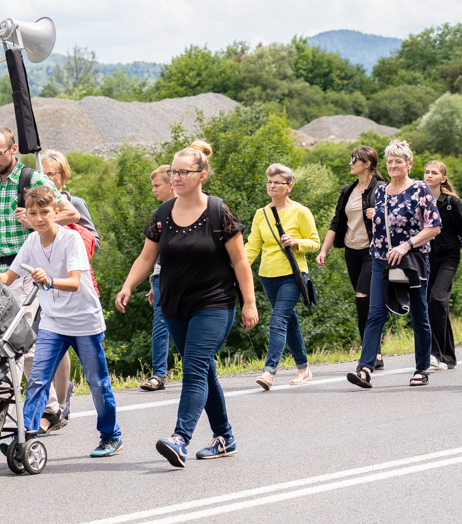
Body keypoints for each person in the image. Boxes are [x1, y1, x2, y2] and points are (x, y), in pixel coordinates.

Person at [115, 140, 258, 468]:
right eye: (173, 172)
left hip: (215, 304)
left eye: (183, 172)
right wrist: (128, 286)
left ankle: (180, 438)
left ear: (201, 175)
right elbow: (146, 256)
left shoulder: (218, 211)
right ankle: (225, 437)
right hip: (174, 306)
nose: (176, 177)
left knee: (193, 367)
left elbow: (240, 262)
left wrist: (249, 303)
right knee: (204, 369)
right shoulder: (162, 215)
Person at [0, 186, 121, 457]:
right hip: (53, 322)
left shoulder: (70, 240)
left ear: (56, 212)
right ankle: (25, 435)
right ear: (26, 217)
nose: (39, 218)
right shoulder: (30, 242)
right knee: (39, 379)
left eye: (44, 212)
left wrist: (49, 280)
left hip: (83, 320)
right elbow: (8, 277)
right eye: (33, 213)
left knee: (97, 381)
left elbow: (75, 283)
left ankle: (111, 436)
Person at [0, 126, 79, 434]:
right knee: (4, 342)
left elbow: (70, 214)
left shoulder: (32, 178)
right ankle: (41, 407)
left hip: (24, 272)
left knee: (15, 343)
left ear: (13, 149)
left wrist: (37, 219)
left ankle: (30, 409)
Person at [346, 139, 441, 389]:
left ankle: (421, 368)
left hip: (412, 261)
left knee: (419, 314)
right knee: (375, 313)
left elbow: (434, 226)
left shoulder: (420, 189)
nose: (393, 165)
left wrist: (406, 245)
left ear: (409, 164)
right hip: (381, 260)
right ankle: (365, 368)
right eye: (390, 161)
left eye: (399, 161)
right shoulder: (381, 191)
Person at [246, 164, 320, 389]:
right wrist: (236, 269)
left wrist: (297, 242)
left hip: (293, 274)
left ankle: (269, 372)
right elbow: (252, 246)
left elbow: (315, 242)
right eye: (269, 182)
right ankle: (304, 368)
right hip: (268, 275)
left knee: (278, 320)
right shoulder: (262, 214)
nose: (271, 186)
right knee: (288, 321)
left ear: (289, 186)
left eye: (277, 182)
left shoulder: (301, 211)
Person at [39, 149, 97, 420]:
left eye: (51, 173)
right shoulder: (33, 205)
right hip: (40, 281)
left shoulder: (76, 203)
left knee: (63, 340)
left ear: (63, 176)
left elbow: (93, 238)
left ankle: (61, 401)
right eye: (42, 173)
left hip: (68, 283)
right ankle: (50, 402)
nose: (46, 178)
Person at [316, 147, 386, 369]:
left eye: (354, 159)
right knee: (362, 303)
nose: (350, 163)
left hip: (373, 251)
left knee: (362, 297)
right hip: (351, 251)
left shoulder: (382, 189)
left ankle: (370, 354)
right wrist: (323, 250)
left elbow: (397, 219)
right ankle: (375, 351)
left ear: (367, 163)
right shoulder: (348, 191)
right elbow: (336, 223)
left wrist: (379, 215)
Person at [423, 160, 462, 370]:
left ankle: (436, 354)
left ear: (443, 178)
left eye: (434, 173)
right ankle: (448, 357)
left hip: (449, 257)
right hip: (426, 258)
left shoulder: (451, 203)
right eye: (426, 172)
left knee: (437, 300)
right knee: (435, 305)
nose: (429, 175)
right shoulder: (419, 201)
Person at [141, 165, 176, 392]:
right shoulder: (158, 214)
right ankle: (159, 375)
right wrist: (153, 282)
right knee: (160, 323)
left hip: (187, 275)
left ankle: (201, 369)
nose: (153, 189)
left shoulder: (191, 209)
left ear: (171, 184)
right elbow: (153, 252)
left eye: (157, 185)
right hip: (162, 274)